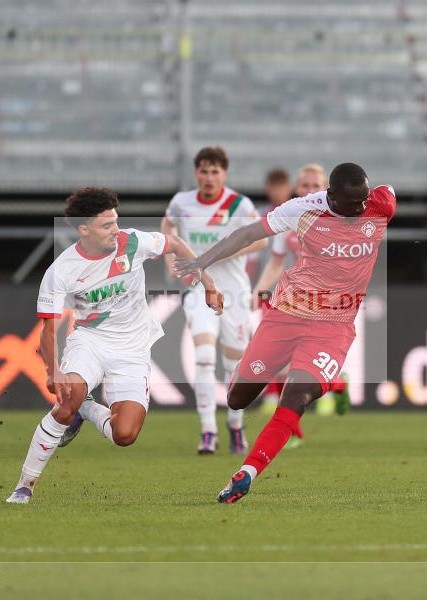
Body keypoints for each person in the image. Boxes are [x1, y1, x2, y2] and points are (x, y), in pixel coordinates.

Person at [174, 163, 396, 503]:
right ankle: (310, 382)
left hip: (333, 326)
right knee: (238, 399)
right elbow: (248, 235)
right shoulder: (303, 209)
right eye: (352, 204)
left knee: (297, 394)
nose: (360, 209)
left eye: (363, 201)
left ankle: (246, 473)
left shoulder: (381, 204)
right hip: (286, 316)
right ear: (330, 196)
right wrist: (204, 259)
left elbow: (386, 193)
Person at [6, 187, 222, 504]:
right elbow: (47, 330)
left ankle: (86, 408)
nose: (116, 230)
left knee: (125, 434)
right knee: (66, 401)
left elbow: (175, 243)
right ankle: (25, 485)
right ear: (84, 230)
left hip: (133, 347)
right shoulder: (61, 270)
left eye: (116, 221)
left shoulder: (132, 242)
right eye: (106, 225)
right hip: (90, 341)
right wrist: (53, 371)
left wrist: (209, 284)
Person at [162, 147, 267, 455]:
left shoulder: (239, 204)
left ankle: (235, 425)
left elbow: (261, 240)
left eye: (215, 172)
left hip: (234, 290)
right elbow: (168, 227)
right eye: (204, 171)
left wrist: (223, 251)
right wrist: (170, 258)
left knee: (234, 364)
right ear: (196, 173)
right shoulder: (181, 202)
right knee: (205, 356)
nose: (209, 177)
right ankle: (208, 431)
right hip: (199, 288)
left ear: (224, 174)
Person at [253, 164, 351, 421]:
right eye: (305, 185)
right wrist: (259, 290)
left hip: (328, 300)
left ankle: (334, 389)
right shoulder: (289, 219)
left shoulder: (340, 220)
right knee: (284, 358)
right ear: (296, 189)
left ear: (326, 189)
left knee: (312, 360)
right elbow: (275, 263)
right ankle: (292, 417)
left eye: (315, 185)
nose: (310, 190)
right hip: (292, 298)